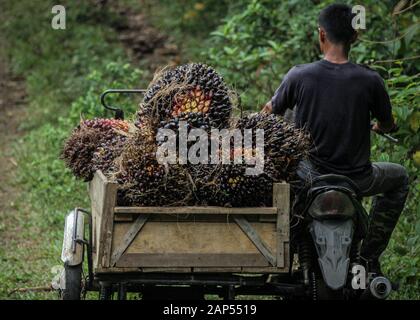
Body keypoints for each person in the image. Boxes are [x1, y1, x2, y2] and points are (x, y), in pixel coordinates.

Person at [262, 3, 409, 274]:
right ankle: (368, 255)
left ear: (321, 34)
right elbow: (388, 124)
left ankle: (290, 245)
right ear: (355, 36)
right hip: (358, 179)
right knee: (400, 178)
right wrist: (382, 126)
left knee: (279, 178)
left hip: (310, 177)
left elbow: (268, 114)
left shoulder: (299, 75)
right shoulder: (370, 80)